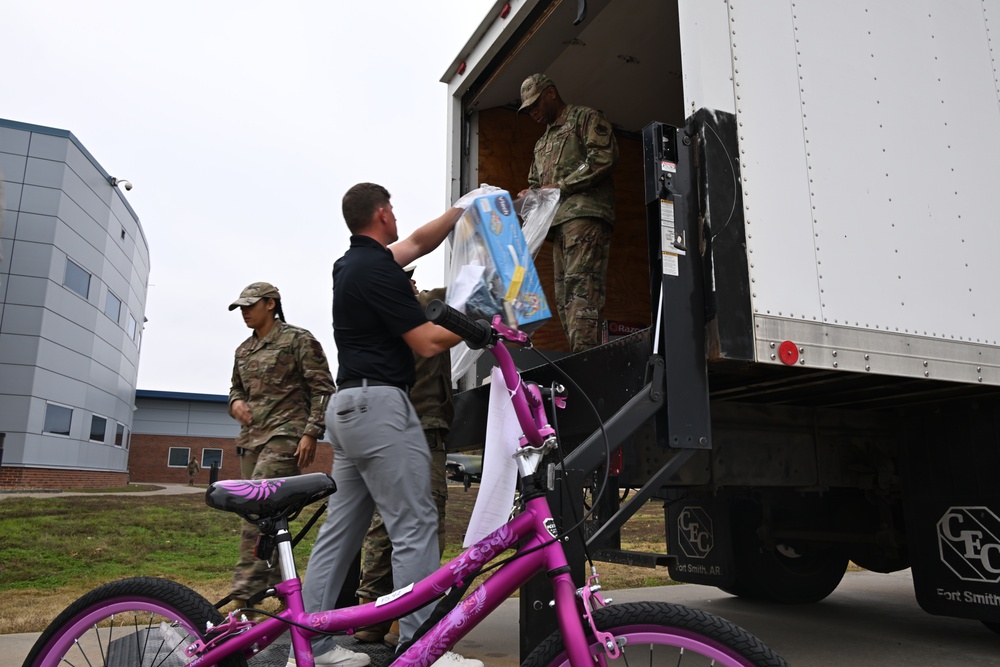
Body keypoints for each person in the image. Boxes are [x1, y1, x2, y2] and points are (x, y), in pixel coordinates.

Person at [295, 183, 481, 667]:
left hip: (348, 407)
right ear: (381, 213)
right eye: (393, 209)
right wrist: (480, 318)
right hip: (380, 407)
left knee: (342, 531)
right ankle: (424, 650)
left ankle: (307, 650)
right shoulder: (378, 270)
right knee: (415, 524)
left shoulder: (351, 264)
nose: (398, 217)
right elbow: (424, 343)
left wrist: (462, 209)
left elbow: (419, 241)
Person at [355, 274, 452, 647]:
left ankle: (370, 615)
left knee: (384, 523)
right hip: (422, 432)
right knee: (424, 526)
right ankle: (408, 621)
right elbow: (470, 293)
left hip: (383, 432)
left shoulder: (374, 321)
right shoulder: (424, 305)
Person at [227, 281, 335, 607]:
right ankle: (284, 597)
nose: (245, 312)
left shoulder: (297, 339)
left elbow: (322, 387)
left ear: (271, 303)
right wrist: (235, 404)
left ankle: (244, 597)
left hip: (285, 436)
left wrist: (311, 432)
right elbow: (235, 389)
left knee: (252, 511)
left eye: (250, 305)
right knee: (268, 522)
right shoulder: (243, 351)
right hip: (251, 442)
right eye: (241, 307)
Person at [517, 73, 619, 353]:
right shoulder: (542, 144)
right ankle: (580, 353)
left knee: (581, 288)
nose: (534, 113)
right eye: (528, 109)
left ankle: (585, 356)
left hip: (584, 217)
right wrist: (531, 194)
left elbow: (602, 158)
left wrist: (561, 186)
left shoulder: (584, 118)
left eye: (536, 104)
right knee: (564, 295)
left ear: (551, 93)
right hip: (558, 225)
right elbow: (537, 183)